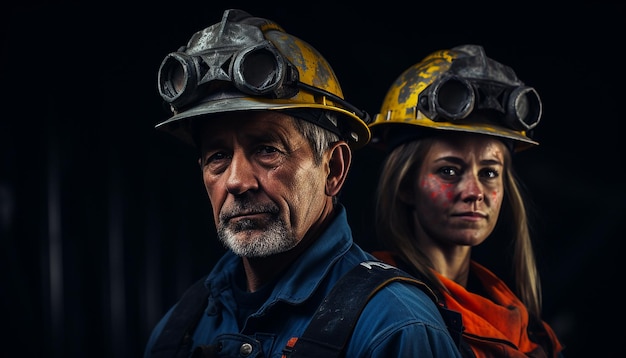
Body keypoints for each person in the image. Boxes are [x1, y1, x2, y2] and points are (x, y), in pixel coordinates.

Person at [143, 9, 463, 358]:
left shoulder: (395, 328)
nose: (236, 181)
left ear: (333, 169)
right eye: (217, 157)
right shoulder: (182, 327)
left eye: (267, 150)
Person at [368, 44, 565, 357]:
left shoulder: (524, 328)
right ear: (405, 185)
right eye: (448, 170)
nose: (474, 192)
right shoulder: (374, 303)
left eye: (489, 173)